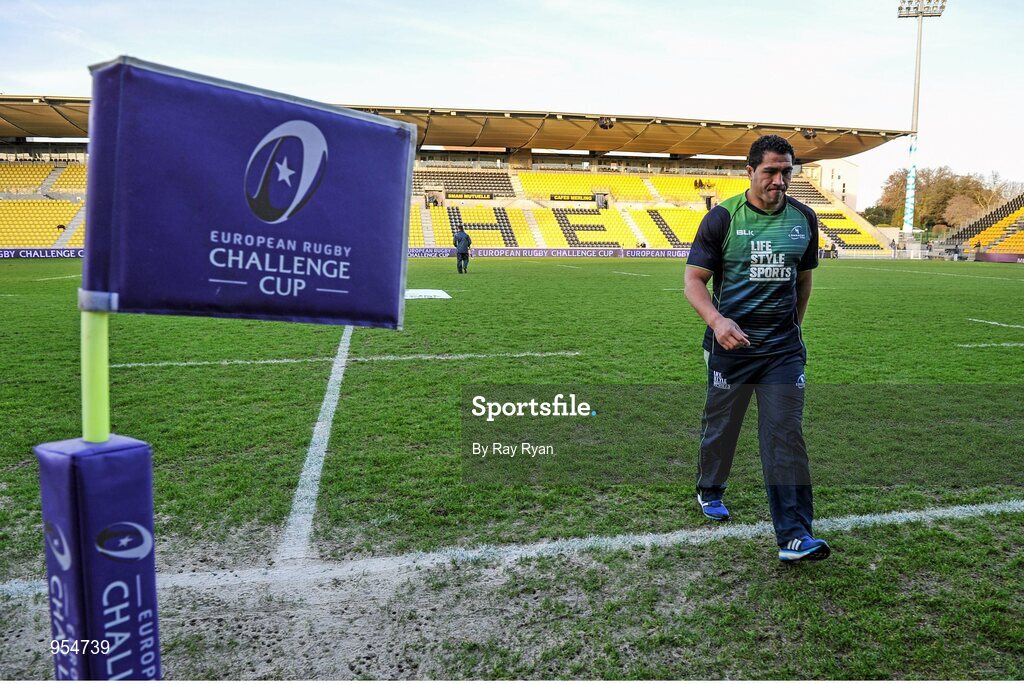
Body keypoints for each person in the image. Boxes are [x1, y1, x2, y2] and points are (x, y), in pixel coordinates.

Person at [683, 134, 829, 563]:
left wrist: (792, 332)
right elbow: (694, 281)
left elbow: (803, 281)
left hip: (782, 352)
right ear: (749, 171)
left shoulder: (804, 218)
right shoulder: (722, 219)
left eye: (787, 172)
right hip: (730, 348)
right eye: (770, 171)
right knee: (722, 427)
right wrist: (717, 320)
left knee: (785, 435)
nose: (779, 180)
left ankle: (794, 535)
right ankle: (710, 488)